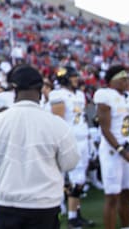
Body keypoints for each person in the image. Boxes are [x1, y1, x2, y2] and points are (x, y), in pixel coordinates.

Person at [0, 64, 79, 229]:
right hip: (44, 205)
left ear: (14, 89)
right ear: (41, 90)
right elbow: (69, 163)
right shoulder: (56, 124)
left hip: (8, 204)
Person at [93, 65, 129, 229]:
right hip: (112, 151)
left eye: (127, 77)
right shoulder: (104, 95)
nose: (127, 81)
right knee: (112, 196)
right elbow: (105, 129)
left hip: (127, 149)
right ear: (112, 80)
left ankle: (126, 227)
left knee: (127, 193)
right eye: (123, 78)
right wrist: (122, 151)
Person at [48, 66, 94, 228]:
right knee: (71, 180)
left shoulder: (80, 94)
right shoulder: (58, 94)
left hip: (82, 139)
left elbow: (81, 118)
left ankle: (75, 215)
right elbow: (58, 121)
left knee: (80, 179)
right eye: (72, 76)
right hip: (69, 141)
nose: (76, 79)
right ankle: (68, 217)